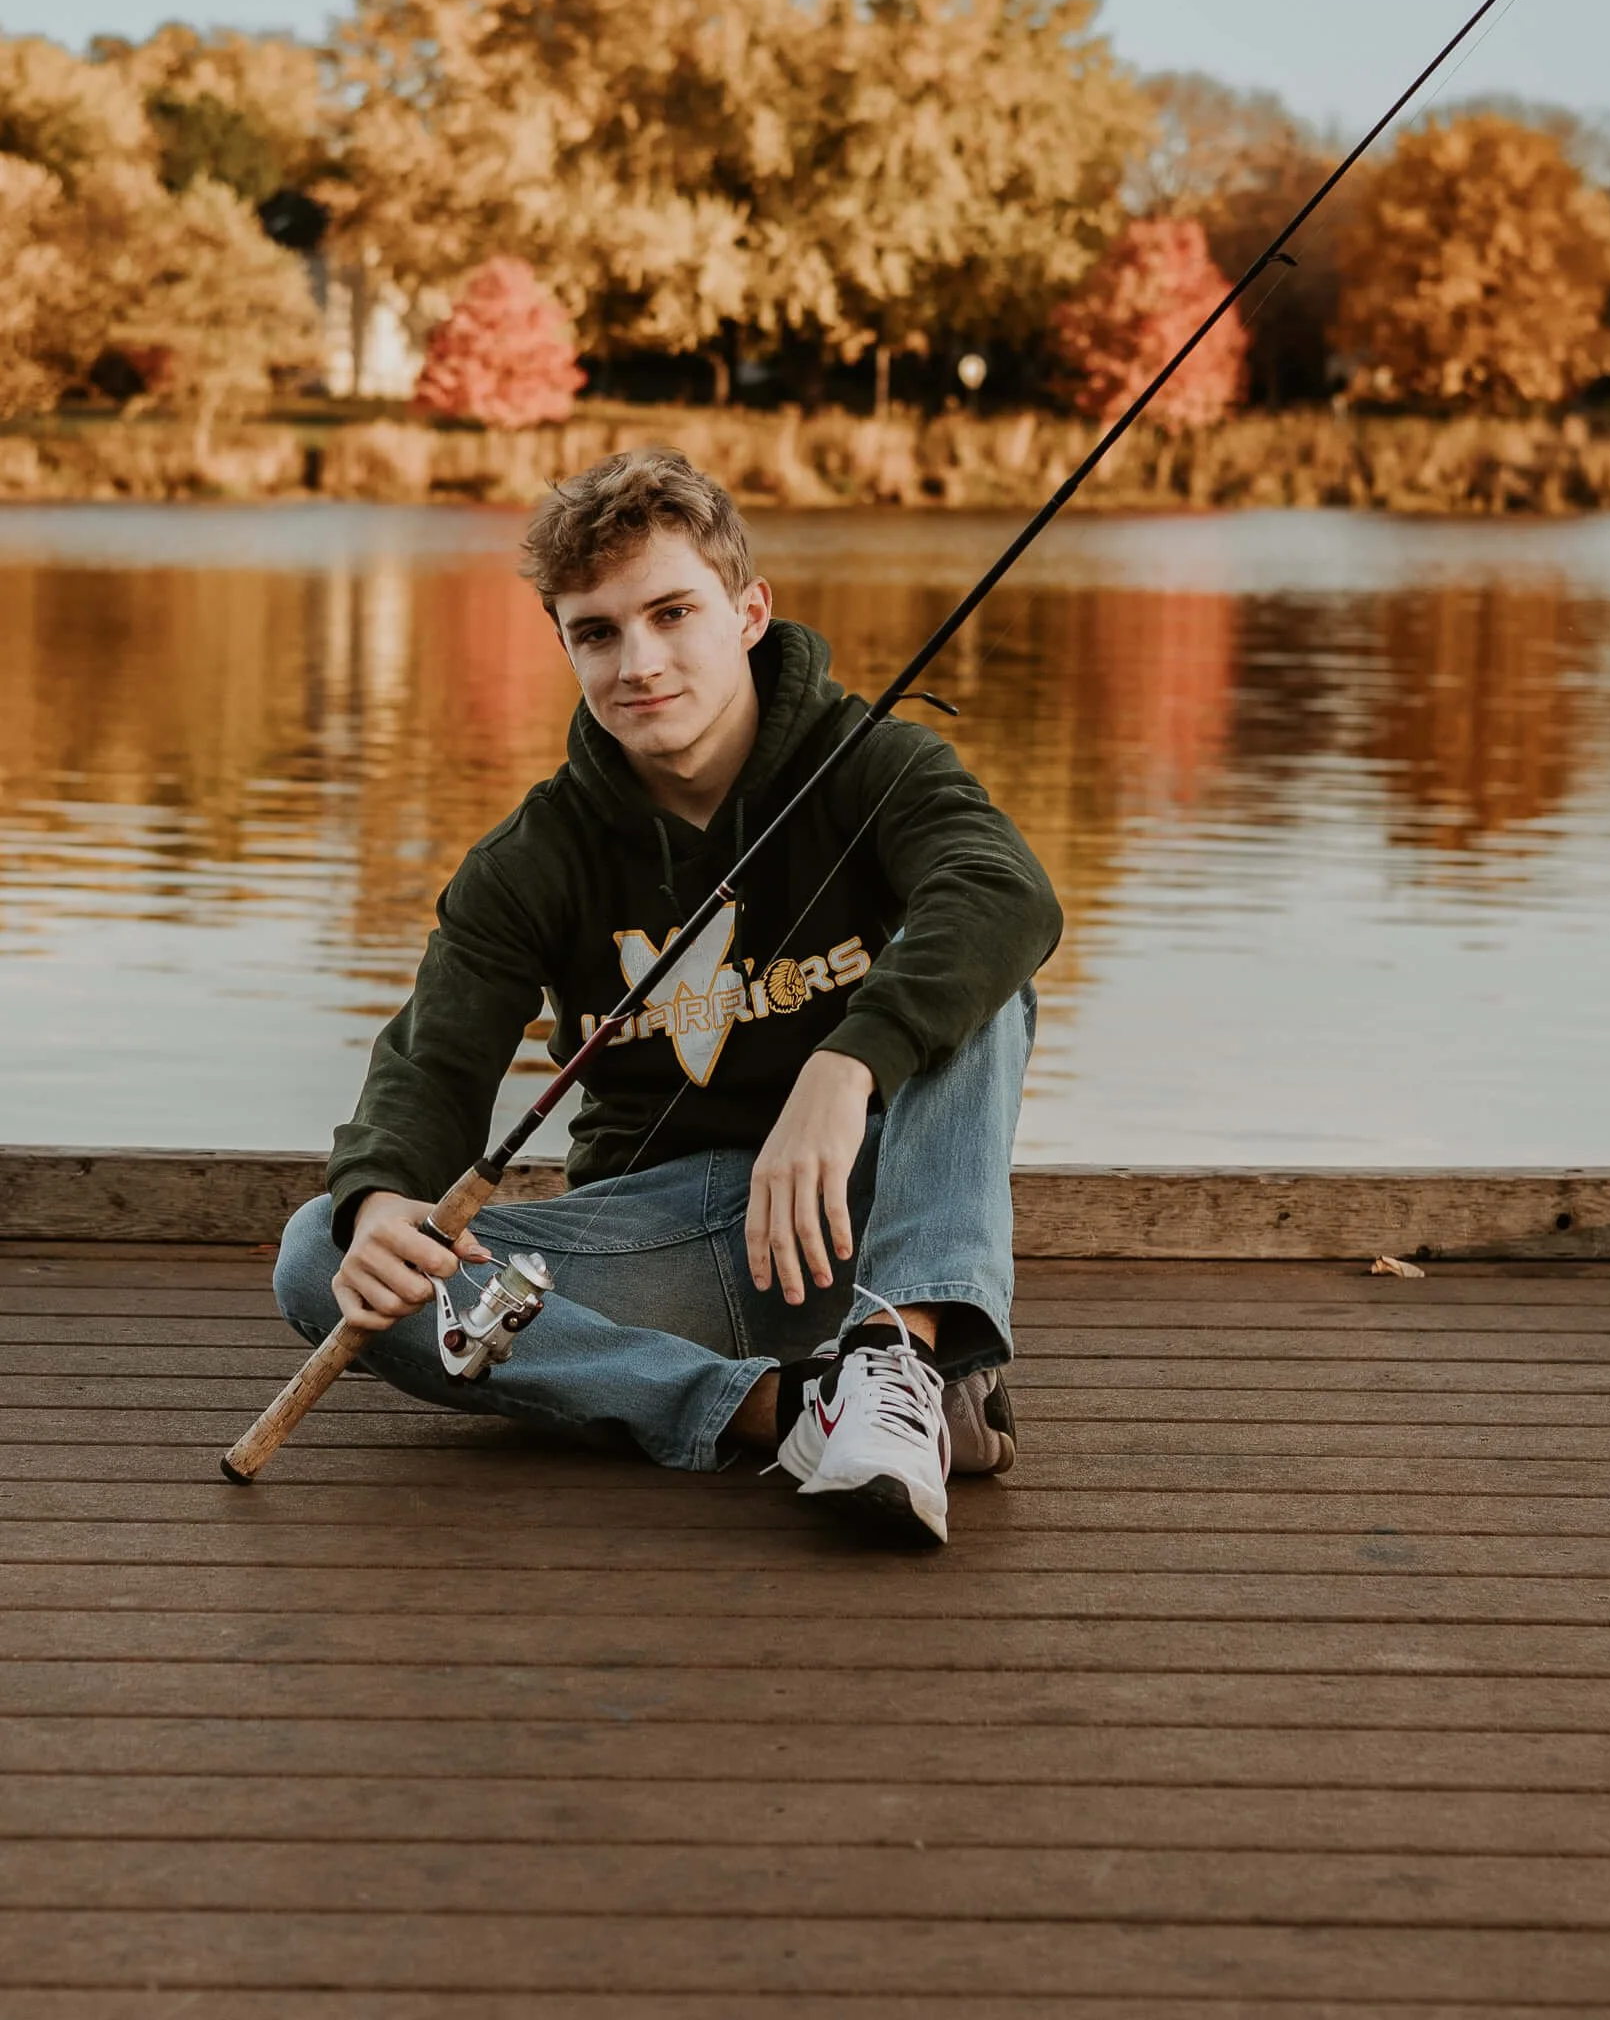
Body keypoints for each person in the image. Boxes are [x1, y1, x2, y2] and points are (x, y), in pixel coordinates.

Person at [274, 447, 1061, 1545]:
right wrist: (383, 1199)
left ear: (747, 612)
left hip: (863, 1222)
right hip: (667, 1248)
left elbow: (1005, 892)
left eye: (671, 613)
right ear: (563, 643)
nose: (637, 661)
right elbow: (431, 1066)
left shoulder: (876, 765)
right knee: (319, 1248)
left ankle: (897, 1357)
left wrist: (843, 1066)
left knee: (985, 979)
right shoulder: (532, 857)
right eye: (595, 631)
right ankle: (784, 1410)